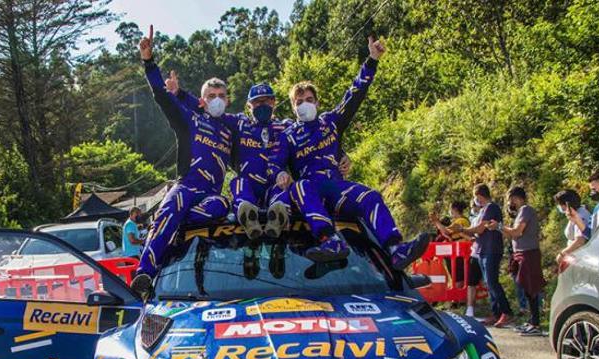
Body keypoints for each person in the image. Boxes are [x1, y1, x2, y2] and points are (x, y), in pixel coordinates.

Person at [273, 35, 429, 268]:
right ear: (293, 107)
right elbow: (276, 162)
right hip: (310, 193)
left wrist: (372, 60)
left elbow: (354, 94)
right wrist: (279, 174)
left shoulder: (331, 122)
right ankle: (329, 240)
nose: (304, 103)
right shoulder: (287, 135)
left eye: (309, 99)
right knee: (300, 186)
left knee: (371, 196)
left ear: (317, 102)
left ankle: (396, 249)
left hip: (337, 188)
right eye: (299, 101)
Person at [131, 26, 232, 296]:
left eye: (221, 96)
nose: (217, 100)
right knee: (173, 205)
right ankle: (144, 273)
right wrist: (148, 61)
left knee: (222, 205)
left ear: (228, 99)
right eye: (211, 96)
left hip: (211, 196)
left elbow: (263, 152)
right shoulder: (191, 119)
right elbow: (162, 96)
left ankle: (173, 226)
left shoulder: (231, 131)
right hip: (186, 186)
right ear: (202, 100)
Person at [170, 75, 291, 238]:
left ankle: (277, 217)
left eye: (266, 101)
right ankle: (247, 214)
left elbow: (308, 139)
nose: (262, 105)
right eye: (257, 102)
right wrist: (179, 93)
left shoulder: (285, 127)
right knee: (238, 182)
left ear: (274, 103)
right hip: (249, 186)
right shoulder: (240, 124)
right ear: (249, 105)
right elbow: (206, 108)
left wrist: (338, 160)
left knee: (283, 192)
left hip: (274, 185)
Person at [491, 187, 545, 336]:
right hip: (520, 253)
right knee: (525, 287)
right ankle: (531, 320)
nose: (510, 203)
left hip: (528, 253)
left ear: (516, 198)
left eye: (510, 199)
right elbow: (513, 234)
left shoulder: (526, 210)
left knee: (531, 288)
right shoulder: (521, 213)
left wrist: (499, 226)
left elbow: (517, 232)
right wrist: (499, 228)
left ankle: (535, 322)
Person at [458, 184, 512, 327]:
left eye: (476, 197)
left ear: (480, 195)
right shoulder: (483, 210)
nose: (476, 200)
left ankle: (506, 312)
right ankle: (496, 313)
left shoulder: (491, 208)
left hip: (491, 249)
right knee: (489, 283)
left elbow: (480, 228)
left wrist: (463, 229)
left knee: (492, 282)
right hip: (482, 249)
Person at [553, 189, 592, 268]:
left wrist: (562, 254)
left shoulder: (580, 216)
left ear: (567, 204)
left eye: (560, 204)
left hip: (579, 259)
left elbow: (580, 241)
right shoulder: (576, 213)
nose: (559, 207)